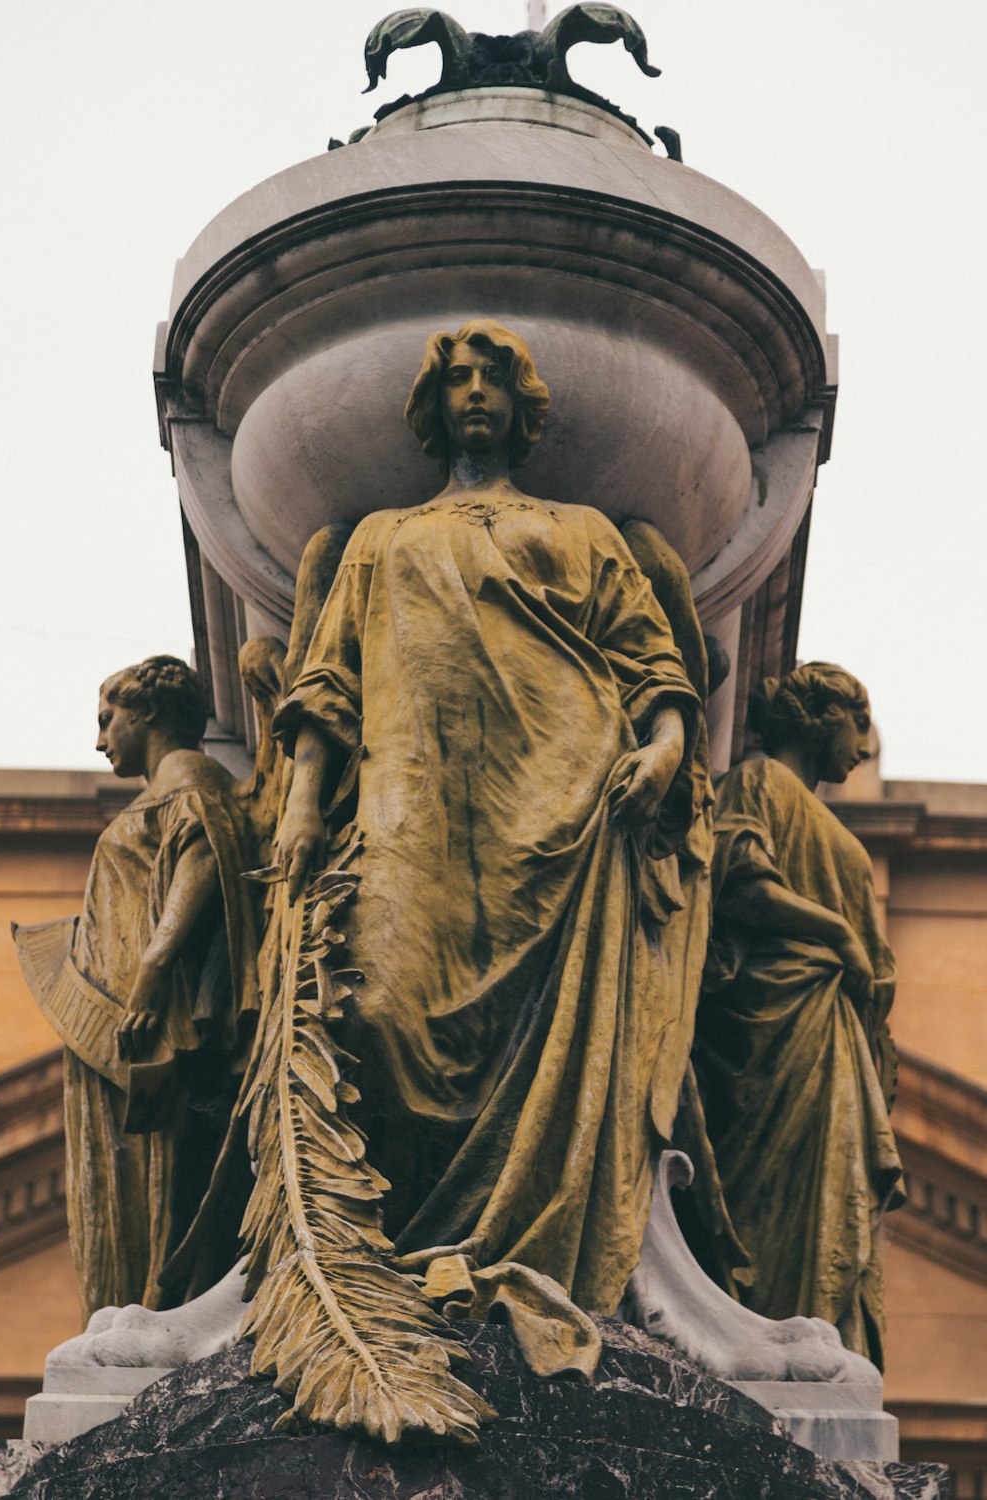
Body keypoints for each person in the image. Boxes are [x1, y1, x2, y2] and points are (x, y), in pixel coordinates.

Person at [267, 319, 710, 1354]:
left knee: (542, 1035)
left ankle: (508, 1248)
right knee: (376, 1006)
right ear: (433, 406)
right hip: (410, 805)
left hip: (565, 806)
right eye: (456, 378)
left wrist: (668, 744)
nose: (474, 392)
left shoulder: (584, 531)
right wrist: (297, 801)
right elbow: (326, 684)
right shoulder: (377, 539)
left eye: (491, 379)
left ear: (522, 403)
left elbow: (650, 658)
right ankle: (404, 1251)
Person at [16, 656, 260, 1320]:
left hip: (162, 1035)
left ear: (148, 713)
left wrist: (152, 973)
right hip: (133, 1038)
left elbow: (203, 856)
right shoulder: (167, 794)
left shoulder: (191, 786)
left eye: (108, 719)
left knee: (166, 1185)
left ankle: (162, 1303)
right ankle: (152, 1302)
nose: (100, 741)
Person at [692, 662, 904, 1366]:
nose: (864, 746)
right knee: (760, 1196)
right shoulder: (758, 781)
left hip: (833, 1041)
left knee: (830, 1202)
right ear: (820, 717)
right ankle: (756, 1328)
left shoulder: (827, 822)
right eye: (858, 721)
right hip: (774, 1029)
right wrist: (840, 935)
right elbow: (739, 881)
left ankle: (815, 1333)